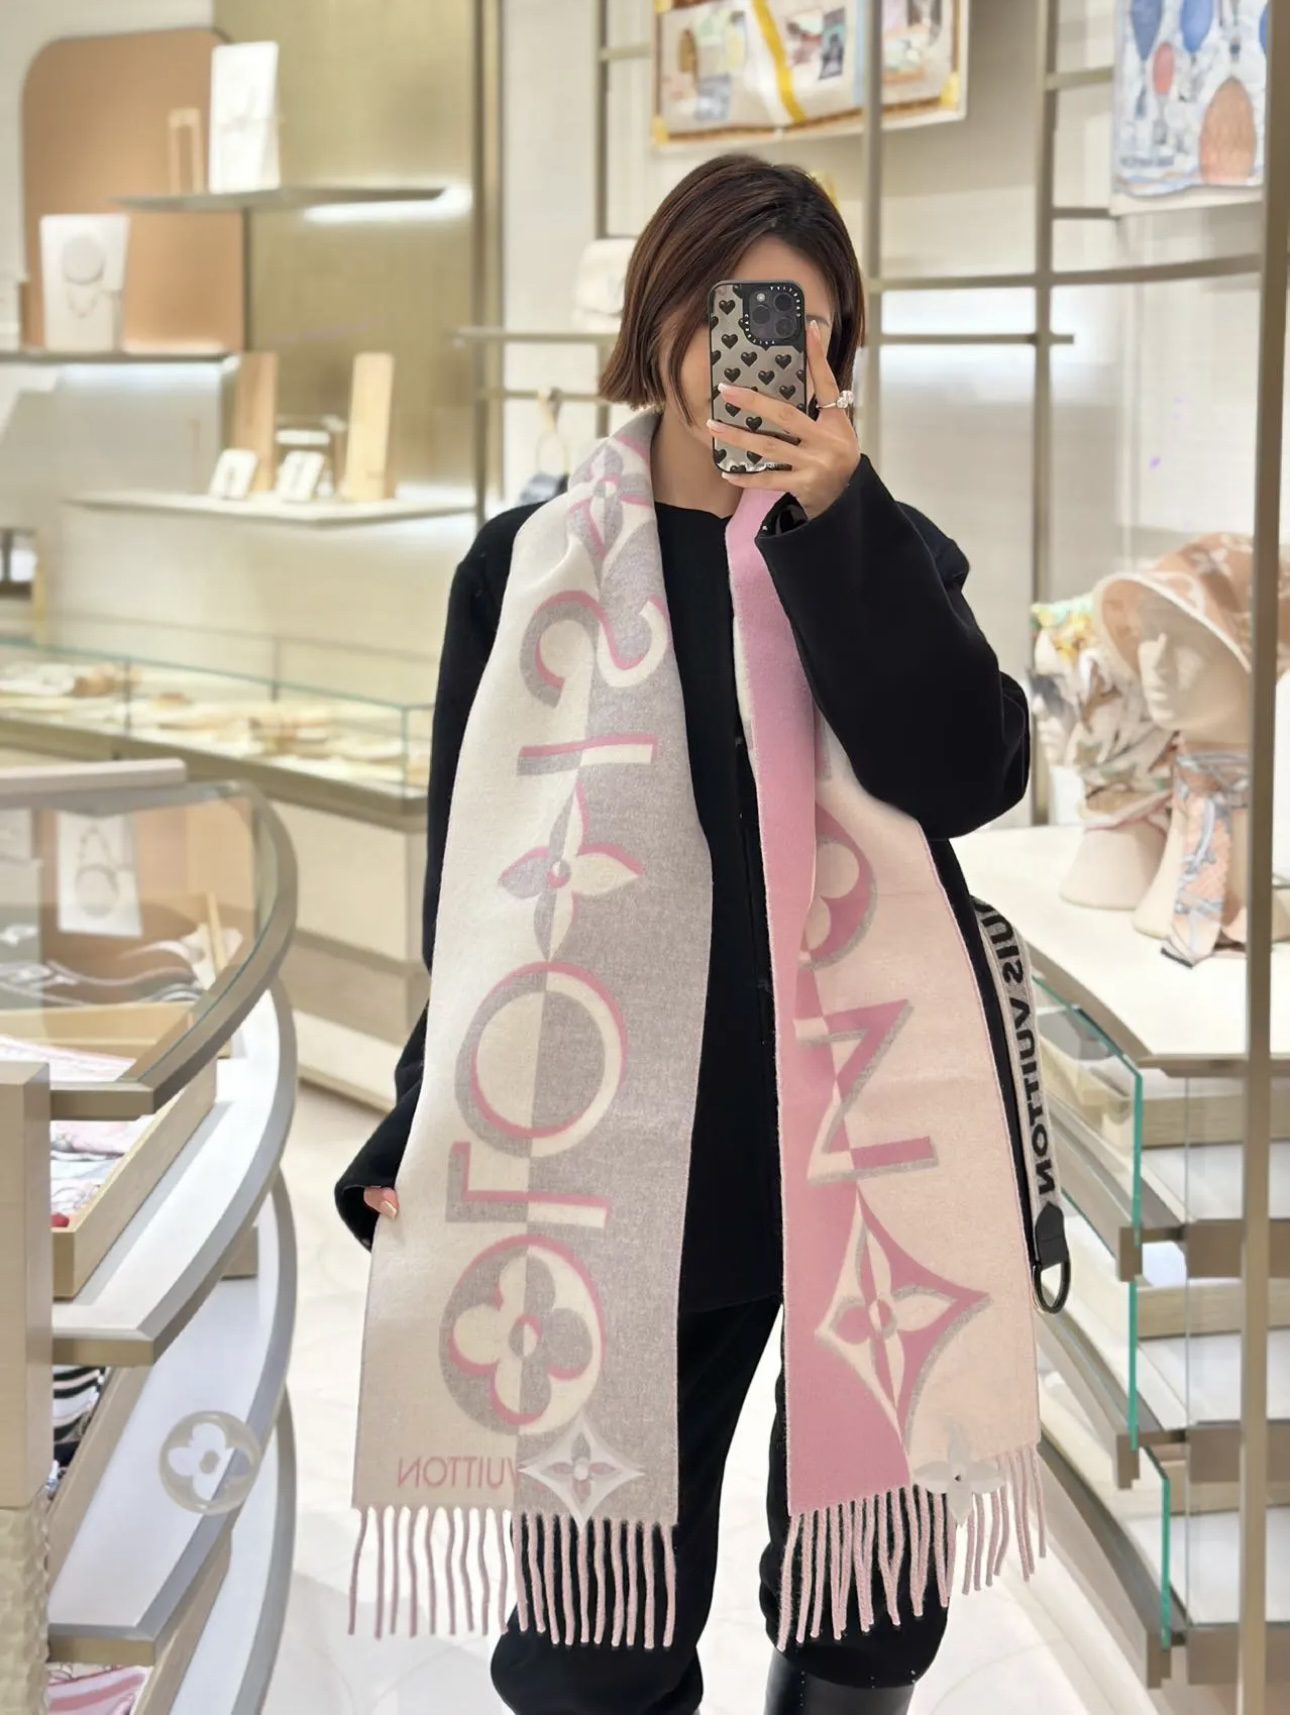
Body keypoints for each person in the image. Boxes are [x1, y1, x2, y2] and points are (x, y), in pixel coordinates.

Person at [336, 155, 1032, 1715]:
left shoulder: (879, 547)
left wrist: (834, 525)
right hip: (620, 1152)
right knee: (595, 1635)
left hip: (876, 1145)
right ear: (660, 319)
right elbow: (480, 881)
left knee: (867, 1605)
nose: (760, 354)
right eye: (731, 315)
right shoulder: (525, 571)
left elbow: (964, 775)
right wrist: (425, 1107)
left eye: (802, 326)